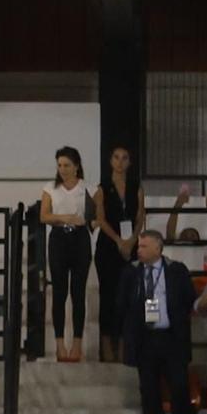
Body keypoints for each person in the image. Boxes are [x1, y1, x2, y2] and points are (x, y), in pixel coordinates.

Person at [117, 229, 195, 414]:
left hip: (172, 338)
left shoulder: (176, 270)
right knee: (150, 394)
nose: (138, 250)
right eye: (138, 246)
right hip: (145, 340)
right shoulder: (131, 273)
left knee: (179, 389)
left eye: (143, 246)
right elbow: (121, 303)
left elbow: (188, 298)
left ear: (158, 248)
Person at [92, 148, 143, 364]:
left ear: (129, 162)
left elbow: (140, 216)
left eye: (125, 158)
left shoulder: (136, 188)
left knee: (128, 298)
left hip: (130, 245)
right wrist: (119, 241)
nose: (120, 162)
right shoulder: (102, 189)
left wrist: (131, 240)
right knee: (108, 297)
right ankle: (106, 348)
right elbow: (100, 219)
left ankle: (124, 347)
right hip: (108, 246)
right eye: (116, 158)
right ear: (110, 161)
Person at [43, 148, 92, 363]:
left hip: (80, 239)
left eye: (67, 165)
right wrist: (66, 218)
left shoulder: (87, 188)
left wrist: (89, 221)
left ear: (77, 166)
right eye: (60, 165)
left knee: (78, 292)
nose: (63, 169)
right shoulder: (50, 188)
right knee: (60, 291)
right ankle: (60, 344)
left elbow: (96, 215)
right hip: (59, 239)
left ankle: (77, 344)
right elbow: (44, 216)